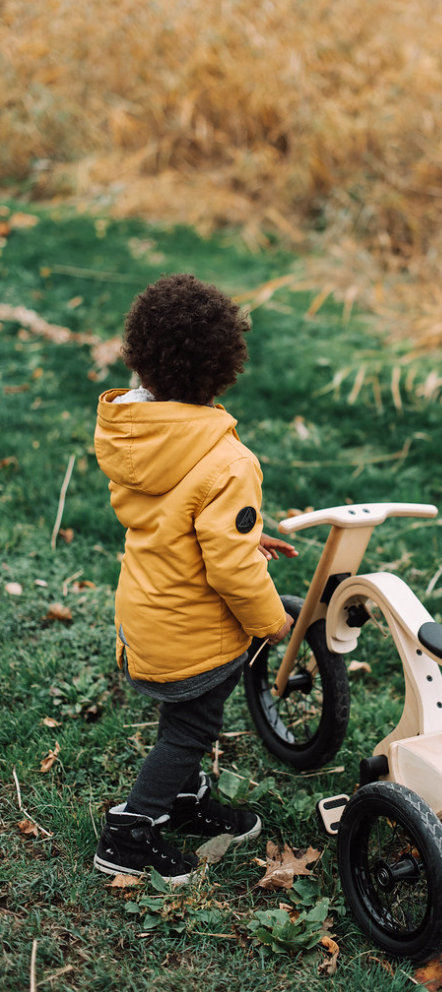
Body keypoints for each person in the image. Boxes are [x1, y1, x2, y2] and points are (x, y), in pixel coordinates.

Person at [93, 272, 297, 884]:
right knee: (190, 729)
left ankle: (183, 800)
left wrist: (243, 532)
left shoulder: (139, 435)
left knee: (184, 722)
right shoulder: (228, 460)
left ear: (141, 358)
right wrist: (272, 621)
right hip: (192, 630)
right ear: (226, 368)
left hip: (147, 611)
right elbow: (231, 568)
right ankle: (131, 834)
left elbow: (174, 519)